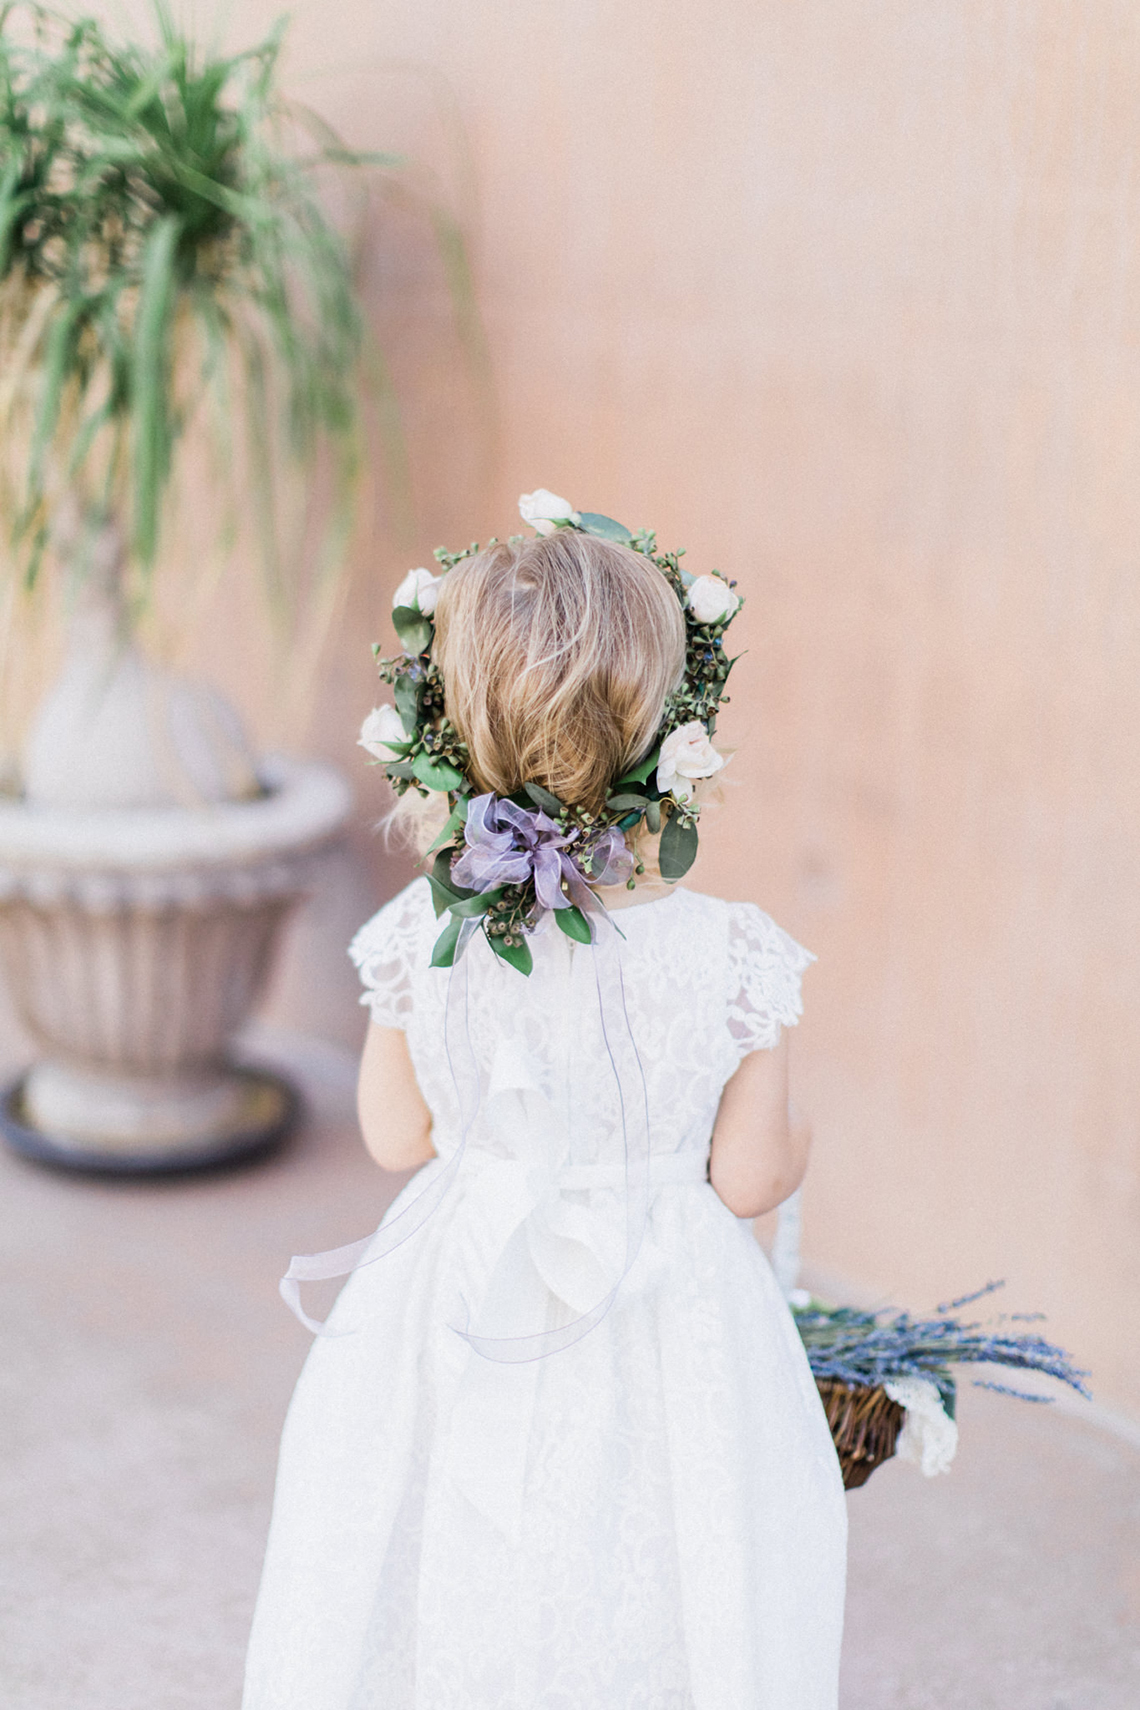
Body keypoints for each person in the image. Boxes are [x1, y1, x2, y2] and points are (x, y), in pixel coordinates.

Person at [242, 502, 847, 1710]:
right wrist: (802, 1142)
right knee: (664, 1556)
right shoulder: (728, 953)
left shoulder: (423, 932)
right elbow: (746, 1182)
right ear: (671, 725)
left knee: (457, 1540)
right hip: (665, 1315)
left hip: (460, 1293)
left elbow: (394, 1136)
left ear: (448, 725)